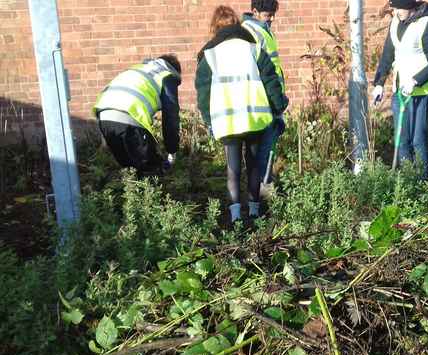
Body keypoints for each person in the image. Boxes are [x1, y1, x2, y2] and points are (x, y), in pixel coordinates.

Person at [195, 6, 288, 223]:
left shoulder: (209, 55)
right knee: (254, 166)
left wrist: (209, 122)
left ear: (214, 28)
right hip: (255, 118)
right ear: (237, 24)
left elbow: (203, 93)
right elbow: (271, 80)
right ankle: (255, 212)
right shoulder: (253, 48)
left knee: (233, 169)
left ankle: (236, 216)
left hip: (227, 121)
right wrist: (278, 105)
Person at [371, 0, 428, 180]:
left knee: (417, 140)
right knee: (401, 140)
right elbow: (388, 54)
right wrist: (379, 83)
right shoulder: (395, 22)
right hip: (399, 91)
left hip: (419, 93)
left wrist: (416, 80)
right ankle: (408, 182)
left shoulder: (427, 25)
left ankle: (422, 182)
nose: (395, 11)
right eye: (393, 7)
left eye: (398, 7)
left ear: (410, 6)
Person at [93, 54, 182, 175]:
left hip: (104, 117)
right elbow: (170, 116)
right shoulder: (166, 75)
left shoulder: (138, 69)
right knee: (151, 169)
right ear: (174, 70)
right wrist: (172, 149)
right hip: (130, 118)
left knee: (130, 170)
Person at [241, 0, 285, 193]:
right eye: (268, 15)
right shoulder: (250, 32)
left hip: (271, 97)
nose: (272, 18)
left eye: (273, 14)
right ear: (255, 12)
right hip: (262, 99)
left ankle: (262, 188)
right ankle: (261, 191)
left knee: (267, 147)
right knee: (262, 149)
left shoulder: (263, 29)